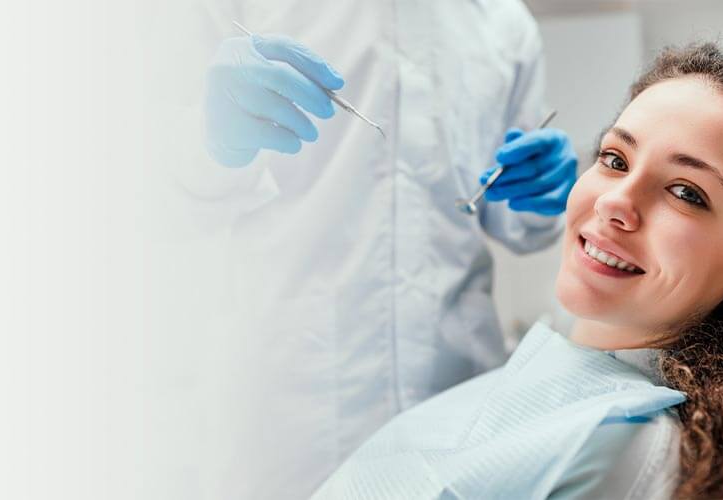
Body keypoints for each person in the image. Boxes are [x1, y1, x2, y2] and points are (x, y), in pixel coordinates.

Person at [308, 42, 723, 500]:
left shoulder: (610, 447)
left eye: (687, 193)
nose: (616, 201)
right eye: (615, 159)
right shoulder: (570, 400)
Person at [178, 1, 578, 497]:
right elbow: (164, 208)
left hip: (456, 398)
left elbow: (517, 225)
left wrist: (541, 193)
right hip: (287, 418)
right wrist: (207, 147)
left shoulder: (502, 21)